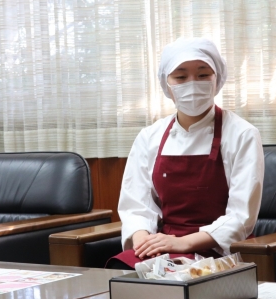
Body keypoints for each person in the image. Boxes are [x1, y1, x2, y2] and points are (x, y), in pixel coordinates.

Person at [108, 38, 264, 269]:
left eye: (203, 75)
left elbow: (241, 217)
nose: (192, 84)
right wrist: (144, 243)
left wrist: (183, 243)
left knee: (181, 282)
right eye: (180, 77)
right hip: (163, 247)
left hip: (220, 250)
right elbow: (136, 206)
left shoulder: (242, 134)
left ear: (217, 79)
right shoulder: (149, 137)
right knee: (123, 273)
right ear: (167, 84)